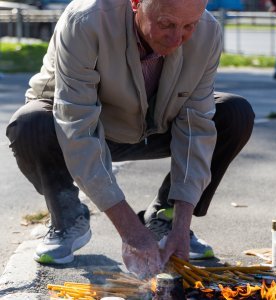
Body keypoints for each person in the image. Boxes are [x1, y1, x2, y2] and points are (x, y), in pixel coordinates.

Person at [6, 0, 255, 277]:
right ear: (136, 3)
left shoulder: (208, 32)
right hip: (79, 130)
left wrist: (181, 224)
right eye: (166, 24)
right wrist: (130, 231)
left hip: (154, 129)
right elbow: (77, 126)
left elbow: (195, 126)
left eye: (188, 26)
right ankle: (68, 216)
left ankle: (165, 217)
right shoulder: (85, 21)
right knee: (30, 123)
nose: (176, 39)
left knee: (235, 113)